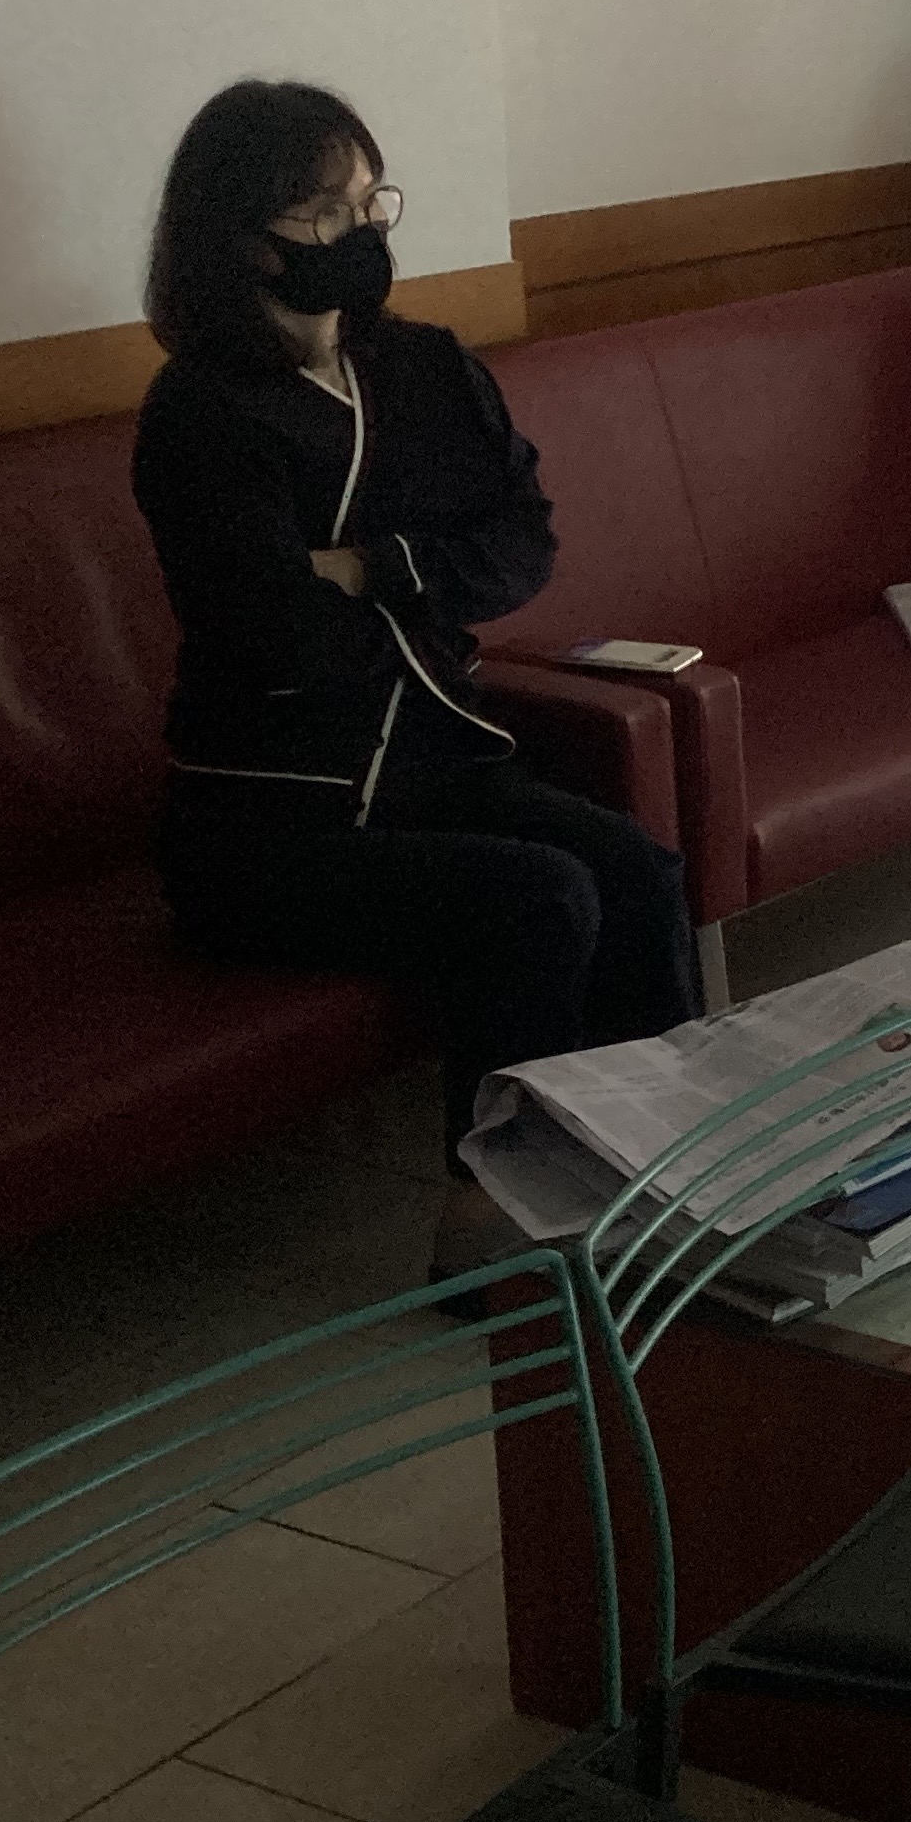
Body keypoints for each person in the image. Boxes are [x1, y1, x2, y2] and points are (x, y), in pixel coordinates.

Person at [130, 80, 697, 1269]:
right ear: (242, 236)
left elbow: (522, 543)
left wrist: (371, 565)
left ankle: (660, 1161)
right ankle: (486, 1224)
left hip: (430, 765)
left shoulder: (424, 368)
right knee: (539, 898)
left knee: (638, 871)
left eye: (368, 201)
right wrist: (412, 581)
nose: (361, 232)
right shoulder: (200, 412)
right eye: (325, 213)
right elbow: (273, 626)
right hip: (272, 819)